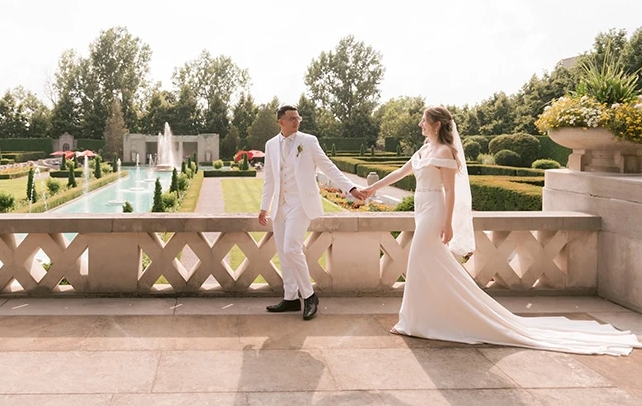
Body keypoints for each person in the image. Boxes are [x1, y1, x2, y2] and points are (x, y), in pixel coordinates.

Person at [361, 105, 641, 356]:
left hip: (434, 210)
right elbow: (400, 173)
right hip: (420, 209)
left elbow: (449, 191)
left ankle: (415, 320)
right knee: (426, 264)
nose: (420, 125)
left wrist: (447, 223)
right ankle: (424, 317)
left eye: (424, 121)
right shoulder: (423, 150)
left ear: (436, 124)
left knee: (419, 259)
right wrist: (371, 188)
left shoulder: (445, 151)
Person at [259, 104, 367, 320]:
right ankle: (290, 298)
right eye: (291, 118)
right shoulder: (271, 145)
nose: (296, 121)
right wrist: (264, 207)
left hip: (301, 203)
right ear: (280, 121)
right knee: (283, 251)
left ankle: (309, 296)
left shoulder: (308, 141)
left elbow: (328, 167)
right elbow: (270, 178)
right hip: (281, 205)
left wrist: (351, 188)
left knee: (291, 248)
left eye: (298, 118)